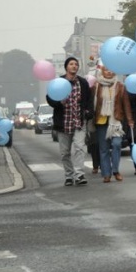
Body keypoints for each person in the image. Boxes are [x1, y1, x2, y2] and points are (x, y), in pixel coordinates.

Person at [47, 56, 93, 187]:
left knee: (79, 148)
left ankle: (79, 175)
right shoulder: (58, 82)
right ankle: (69, 175)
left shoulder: (83, 83)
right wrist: (58, 102)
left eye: (76, 64)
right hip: (63, 123)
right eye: (71, 64)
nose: (74, 66)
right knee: (65, 153)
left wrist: (88, 112)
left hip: (79, 121)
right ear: (66, 67)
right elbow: (50, 98)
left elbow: (89, 100)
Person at [93, 65, 133, 183]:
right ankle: (106, 174)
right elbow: (92, 103)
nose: (109, 72)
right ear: (102, 71)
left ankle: (115, 170)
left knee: (117, 144)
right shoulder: (96, 86)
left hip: (116, 121)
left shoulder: (120, 86)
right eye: (106, 70)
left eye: (111, 70)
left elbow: (126, 104)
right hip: (101, 121)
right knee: (104, 149)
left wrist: (130, 120)